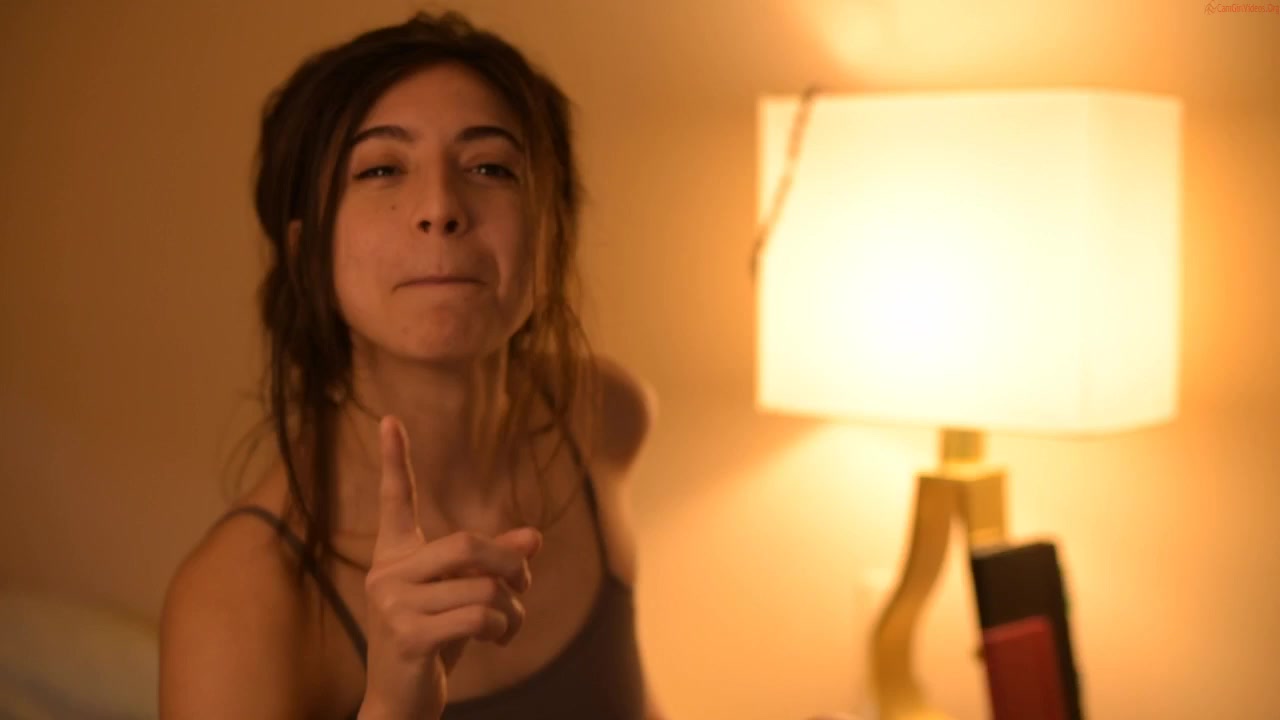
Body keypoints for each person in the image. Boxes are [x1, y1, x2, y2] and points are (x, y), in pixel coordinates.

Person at [159, 11, 660, 720]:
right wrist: (394, 700)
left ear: (552, 234)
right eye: (381, 170)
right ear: (306, 252)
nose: (440, 208)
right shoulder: (236, 600)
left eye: (489, 167)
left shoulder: (604, 416)